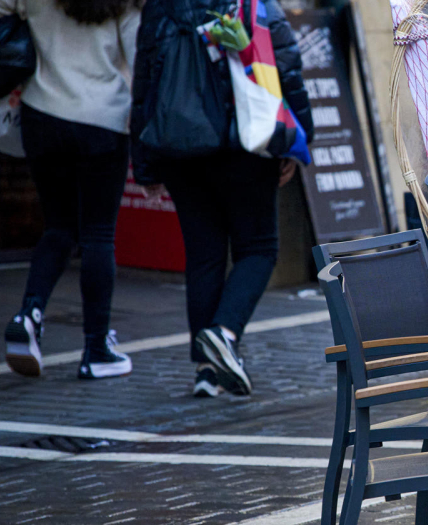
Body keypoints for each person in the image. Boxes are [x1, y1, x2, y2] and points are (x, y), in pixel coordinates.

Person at [131, 0, 312, 397]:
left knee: (203, 255)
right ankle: (224, 334)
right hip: (242, 142)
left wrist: (143, 162)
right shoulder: (254, 3)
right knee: (259, 248)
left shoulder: (159, 8)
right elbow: (286, 67)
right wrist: (297, 141)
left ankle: (206, 371)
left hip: (179, 147)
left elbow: (143, 84)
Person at [0, 0, 141, 379]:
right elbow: (141, 58)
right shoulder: (124, 4)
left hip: (42, 116)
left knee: (58, 227)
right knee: (98, 234)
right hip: (103, 119)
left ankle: (29, 313)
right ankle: (96, 348)